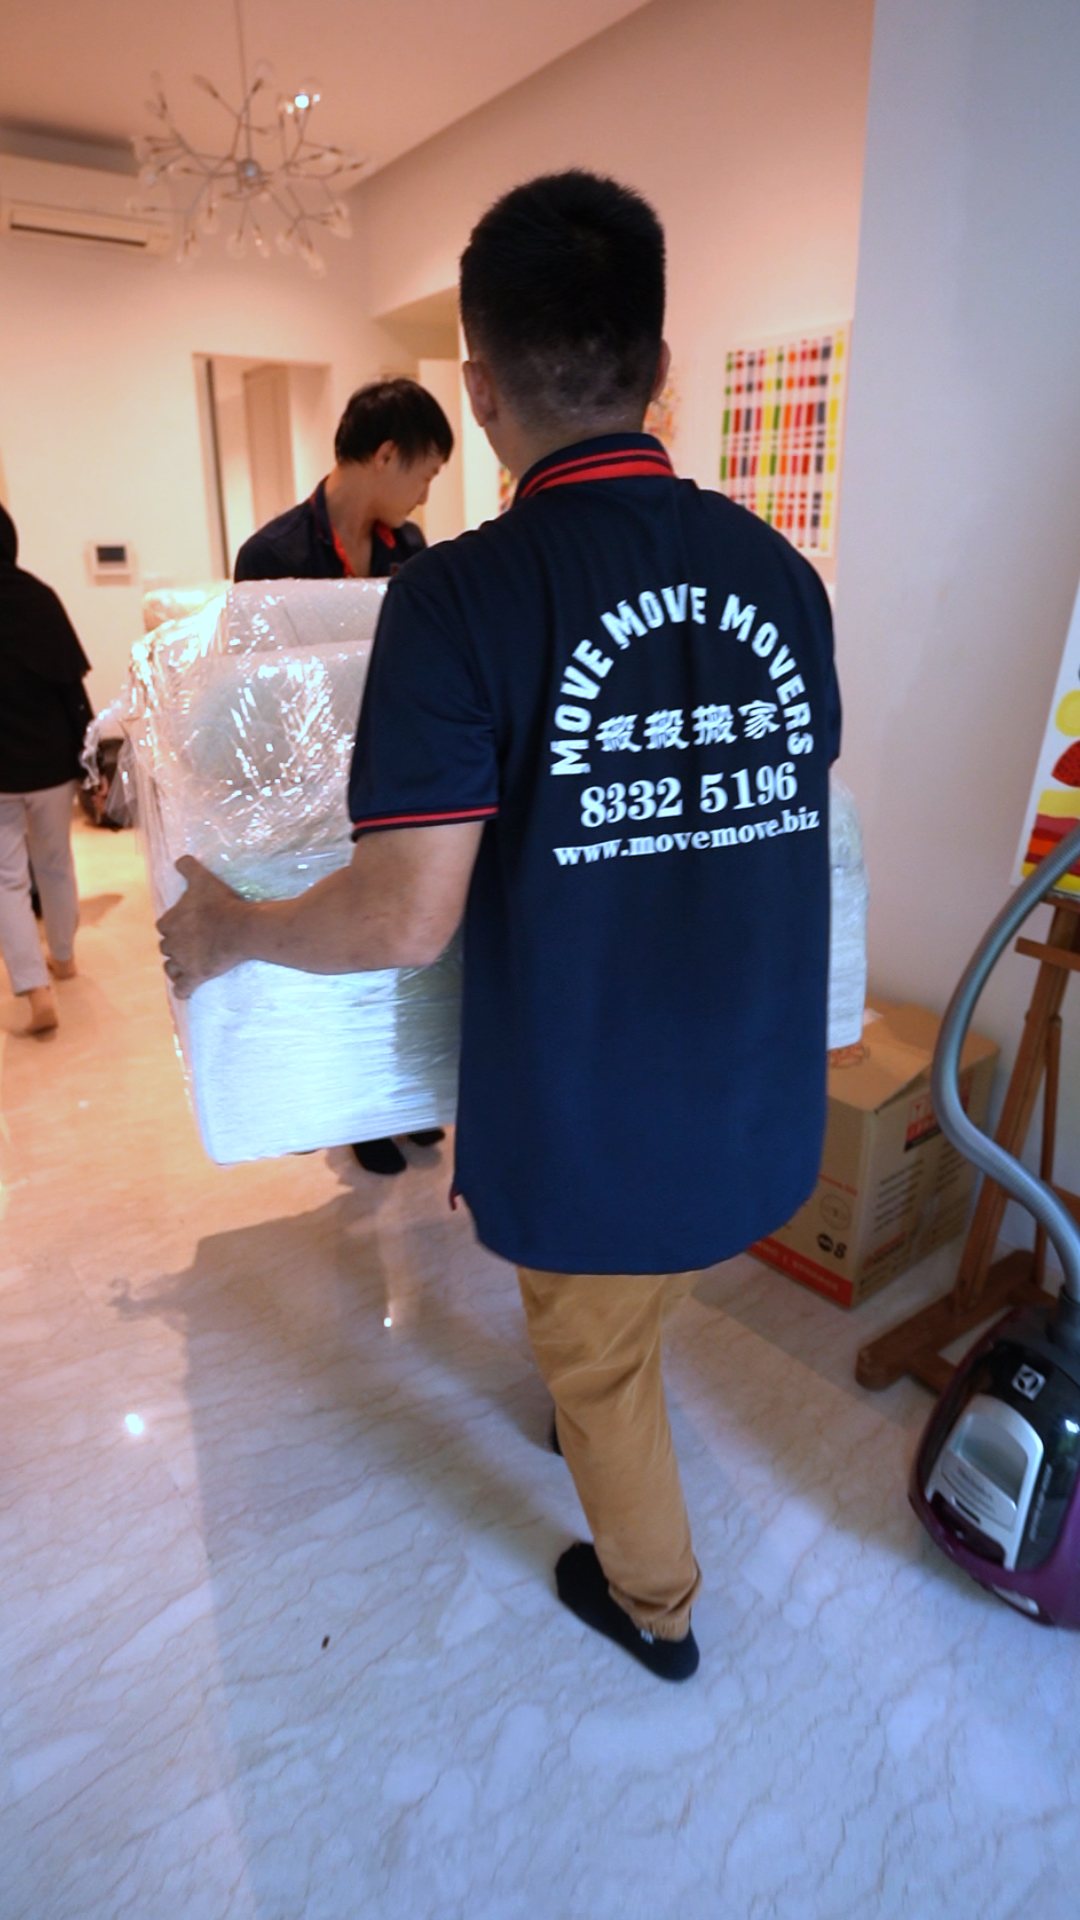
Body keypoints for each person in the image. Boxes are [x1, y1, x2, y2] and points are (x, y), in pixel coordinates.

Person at [158, 171, 841, 1683]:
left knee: (591, 1362)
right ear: (660, 366)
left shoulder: (461, 601)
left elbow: (407, 917)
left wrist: (232, 931)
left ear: (478, 383)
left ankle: (654, 1602)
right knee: (630, 1300)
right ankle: (615, 1351)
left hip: (601, 1122)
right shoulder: (782, 580)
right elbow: (749, 824)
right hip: (753, 1093)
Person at [236, 377, 455, 1176]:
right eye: (425, 471)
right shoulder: (272, 553)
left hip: (394, 768)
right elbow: (253, 689)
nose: (427, 489)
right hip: (312, 785)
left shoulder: (412, 548)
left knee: (400, 934)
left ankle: (403, 1093)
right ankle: (359, 1112)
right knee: (339, 936)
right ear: (387, 454)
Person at [0, 504, 92, 1035]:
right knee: (54, 862)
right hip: (48, 763)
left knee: (7, 880)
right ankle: (63, 956)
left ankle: (34, 988)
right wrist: (87, 762)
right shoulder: (37, 598)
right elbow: (70, 688)